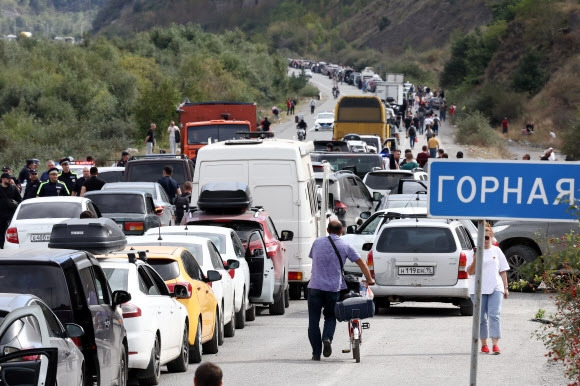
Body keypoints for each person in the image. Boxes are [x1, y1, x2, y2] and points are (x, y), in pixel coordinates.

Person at [307, 220, 375, 361]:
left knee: (313, 321)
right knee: (330, 316)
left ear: (327, 230)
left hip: (315, 286)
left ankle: (316, 353)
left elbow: (315, 259)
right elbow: (361, 262)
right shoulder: (345, 245)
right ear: (341, 231)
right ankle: (327, 338)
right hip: (333, 288)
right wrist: (369, 279)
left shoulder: (317, 243)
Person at [467, 223, 509, 355]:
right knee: (480, 318)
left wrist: (506, 287)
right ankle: (484, 344)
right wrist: (475, 259)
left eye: (486, 237)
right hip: (478, 289)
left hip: (495, 287)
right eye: (482, 237)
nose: (484, 240)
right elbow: (470, 272)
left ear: (491, 237)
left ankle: (495, 344)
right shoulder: (473, 252)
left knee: (494, 315)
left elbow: (502, 270)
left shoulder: (497, 251)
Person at [0, 172, 22, 248]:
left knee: (10, 233)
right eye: (8, 178)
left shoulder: (13, 188)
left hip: (11, 214)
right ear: (2, 179)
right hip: (1, 215)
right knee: (1, 233)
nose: (10, 180)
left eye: (10, 178)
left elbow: (19, 200)